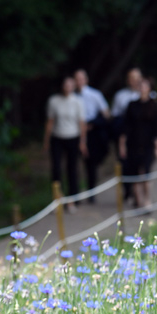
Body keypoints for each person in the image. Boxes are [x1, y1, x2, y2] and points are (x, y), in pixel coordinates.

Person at [43, 77, 87, 213]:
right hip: (57, 138)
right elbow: (50, 121)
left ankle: (72, 200)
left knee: (72, 169)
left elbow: (81, 123)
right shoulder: (54, 101)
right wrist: (46, 141)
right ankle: (57, 199)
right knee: (56, 169)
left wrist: (83, 142)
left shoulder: (77, 101)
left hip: (73, 138)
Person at [119, 78, 157, 211]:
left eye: (145, 86)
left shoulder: (154, 105)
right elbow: (125, 126)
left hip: (148, 144)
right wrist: (122, 144)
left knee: (146, 172)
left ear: (150, 88)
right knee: (135, 173)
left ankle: (147, 200)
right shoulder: (132, 105)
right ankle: (138, 201)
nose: (143, 89)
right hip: (133, 143)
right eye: (141, 86)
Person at [73, 69, 110, 203]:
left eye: (81, 79)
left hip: (92, 132)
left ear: (86, 80)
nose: (79, 82)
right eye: (77, 79)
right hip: (75, 132)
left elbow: (106, 114)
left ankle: (91, 193)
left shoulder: (95, 95)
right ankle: (75, 195)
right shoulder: (72, 96)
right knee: (74, 164)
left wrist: (93, 124)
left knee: (91, 164)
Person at [111, 68, 143, 202]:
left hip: (140, 136)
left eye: (136, 77)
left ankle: (139, 195)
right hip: (125, 134)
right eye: (131, 77)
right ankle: (127, 190)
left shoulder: (147, 94)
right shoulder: (120, 96)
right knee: (124, 163)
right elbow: (115, 116)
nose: (134, 81)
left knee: (140, 164)